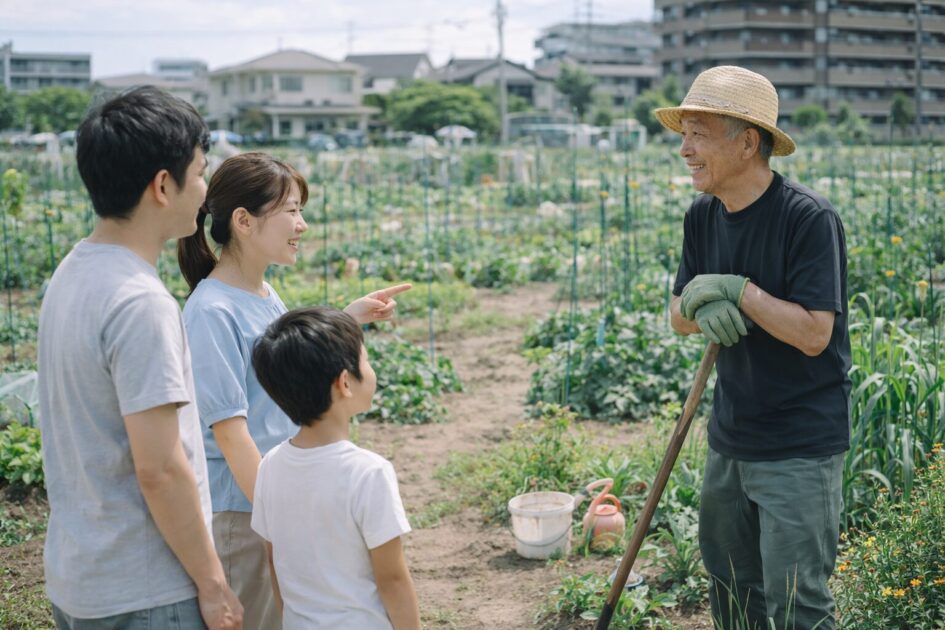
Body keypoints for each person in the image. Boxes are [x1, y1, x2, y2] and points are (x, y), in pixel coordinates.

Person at [176, 152, 410, 628]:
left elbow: (283, 363)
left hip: (268, 501)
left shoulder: (261, 293)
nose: (302, 225)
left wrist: (346, 319)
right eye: (291, 211)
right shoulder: (211, 312)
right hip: (243, 511)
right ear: (244, 221)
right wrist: (280, 514)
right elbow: (230, 434)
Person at [37, 86, 242, 629]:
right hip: (147, 590)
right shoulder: (140, 302)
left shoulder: (72, 272)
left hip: (82, 577)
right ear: (162, 185)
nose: (204, 191)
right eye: (199, 173)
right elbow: (160, 468)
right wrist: (213, 582)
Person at [656, 66, 851, 629]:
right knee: (732, 589)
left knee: (796, 603)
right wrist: (699, 304)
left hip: (798, 445)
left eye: (698, 135)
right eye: (683, 135)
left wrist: (741, 292)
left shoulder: (807, 218)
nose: (685, 150)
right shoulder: (703, 215)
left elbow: (815, 334)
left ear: (746, 143)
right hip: (731, 437)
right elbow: (677, 316)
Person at [250, 306, 420, 629]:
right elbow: (393, 580)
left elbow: (274, 561)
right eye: (366, 360)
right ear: (345, 382)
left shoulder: (269, 467)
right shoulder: (368, 473)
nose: (370, 368)